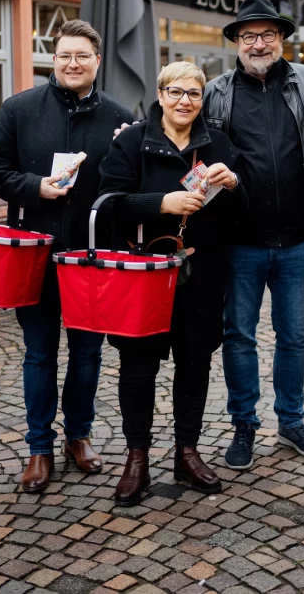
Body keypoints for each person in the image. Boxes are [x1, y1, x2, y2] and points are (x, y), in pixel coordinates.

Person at [0, 20, 134, 492]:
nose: (72, 63)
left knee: (87, 355)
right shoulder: (20, 109)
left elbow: (131, 184)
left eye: (82, 56)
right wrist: (35, 188)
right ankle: (39, 447)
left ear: (97, 62)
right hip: (35, 255)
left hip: (93, 258)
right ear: (54, 59)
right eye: (65, 55)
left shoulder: (119, 116)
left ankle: (78, 437)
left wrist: (132, 148)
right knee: (40, 355)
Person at [202, 0, 304, 470]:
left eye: (267, 35)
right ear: (237, 44)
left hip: (298, 241)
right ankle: (244, 424)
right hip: (239, 241)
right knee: (239, 336)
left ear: (282, 39)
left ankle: (291, 420)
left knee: (294, 337)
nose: (258, 43)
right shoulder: (216, 92)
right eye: (248, 37)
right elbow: (195, 158)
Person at [99, 61, 246, 506]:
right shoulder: (131, 142)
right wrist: (161, 202)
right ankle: (136, 458)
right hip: (144, 276)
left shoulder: (218, 144)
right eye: (176, 92)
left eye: (195, 94)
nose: (185, 101)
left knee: (195, 363)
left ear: (203, 100)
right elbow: (108, 204)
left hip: (200, 274)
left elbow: (242, 215)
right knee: (138, 367)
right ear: (160, 96)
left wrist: (236, 183)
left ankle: (187, 451)